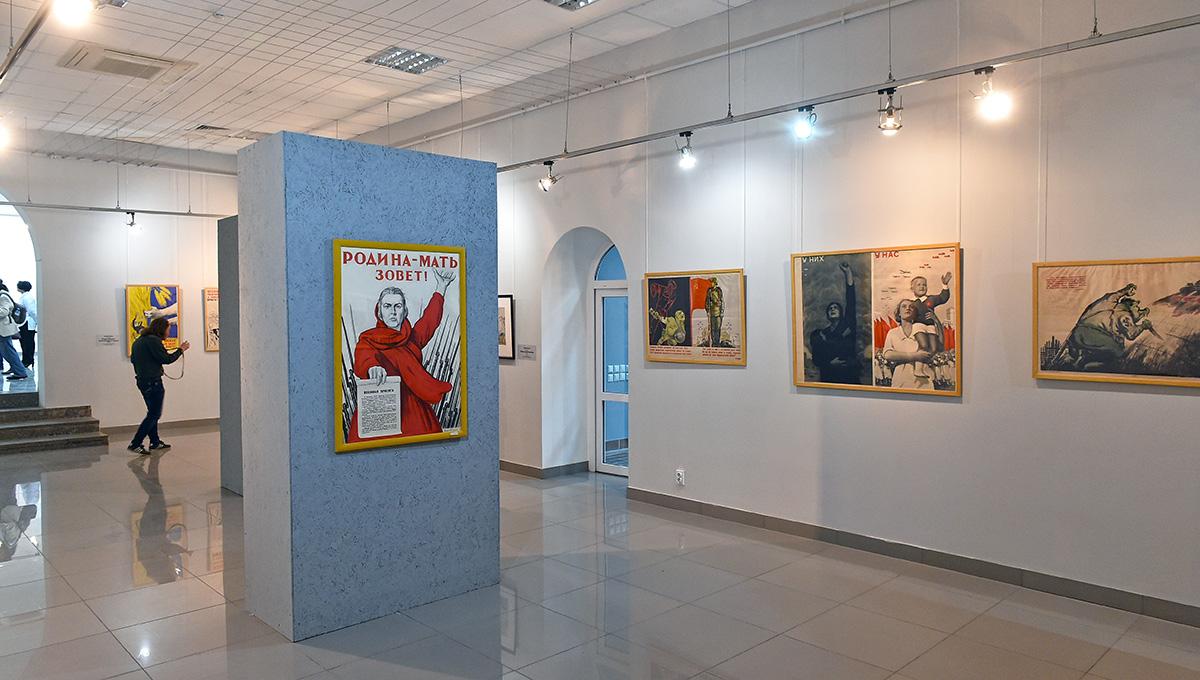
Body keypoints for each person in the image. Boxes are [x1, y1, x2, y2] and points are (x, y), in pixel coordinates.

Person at [352, 270, 455, 440]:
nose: (393, 311)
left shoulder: (412, 339)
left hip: (414, 410)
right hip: (382, 405)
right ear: (379, 311)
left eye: (397, 306)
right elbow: (364, 356)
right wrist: (373, 367)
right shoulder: (369, 339)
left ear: (404, 311)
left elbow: (430, 320)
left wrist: (441, 287)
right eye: (387, 306)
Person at [129, 316, 190, 454]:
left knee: (152, 413)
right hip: (153, 382)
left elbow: (134, 360)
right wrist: (181, 350)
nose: (169, 332)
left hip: (142, 381)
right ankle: (136, 443)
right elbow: (166, 359)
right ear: (161, 329)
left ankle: (155, 442)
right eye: (168, 329)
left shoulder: (140, 340)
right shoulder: (154, 341)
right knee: (154, 414)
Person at [809, 261, 862, 384]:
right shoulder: (822, 334)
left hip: (848, 376)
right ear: (827, 315)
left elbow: (851, 301)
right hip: (829, 377)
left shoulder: (848, 325)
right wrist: (829, 363)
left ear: (841, 312)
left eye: (835, 308)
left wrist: (848, 273)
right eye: (830, 309)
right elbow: (816, 358)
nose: (832, 309)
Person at [882, 299, 934, 390]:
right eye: (904, 306)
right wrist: (915, 356)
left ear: (915, 313)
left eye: (911, 307)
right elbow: (888, 354)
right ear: (899, 313)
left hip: (923, 380)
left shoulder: (923, 329)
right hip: (901, 379)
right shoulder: (892, 332)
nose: (908, 308)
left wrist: (935, 320)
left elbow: (931, 351)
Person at [0, 281, 29, 382]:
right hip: (3, 329)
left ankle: (20, 372)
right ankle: (16, 369)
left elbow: (4, 311)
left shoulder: (3, 296)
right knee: (6, 351)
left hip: (4, 329)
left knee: (8, 351)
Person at [16, 281, 35, 369]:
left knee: (27, 342)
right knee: (24, 342)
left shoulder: (27, 297)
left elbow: (32, 311)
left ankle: (28, 360)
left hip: (27, 323)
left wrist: (37, 322)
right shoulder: (25, 296)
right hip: (24, 323)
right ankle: (26, 360)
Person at [704, 277, 724, 347]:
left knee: (717, 328)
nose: (711, 284)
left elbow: (721, 301)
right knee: (712, 328)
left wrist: (722, 312)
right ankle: (713, 342)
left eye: (712, 282)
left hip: (718, 313)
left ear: (715, 283)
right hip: (712, 312)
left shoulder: (719, 290)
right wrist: (707, 310)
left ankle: (717, 342)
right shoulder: (709, 291)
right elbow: (707, 301)